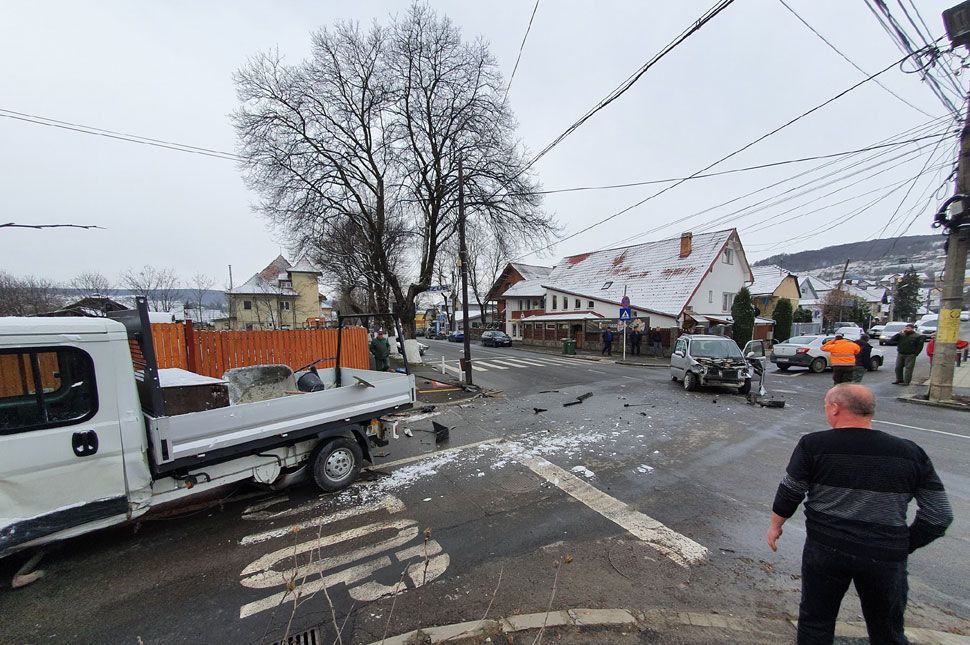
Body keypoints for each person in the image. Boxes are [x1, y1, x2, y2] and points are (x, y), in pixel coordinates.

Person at [768, 384, 952, 644]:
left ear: (835, 408)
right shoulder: (910, 453)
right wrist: (902, 544)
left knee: (815, 622)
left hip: (826, 549)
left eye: (825, 406)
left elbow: (791, 490)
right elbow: (939, 515)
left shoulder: (814, 445)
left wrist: (776, 525)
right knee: (887, 630)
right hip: (886, 556)